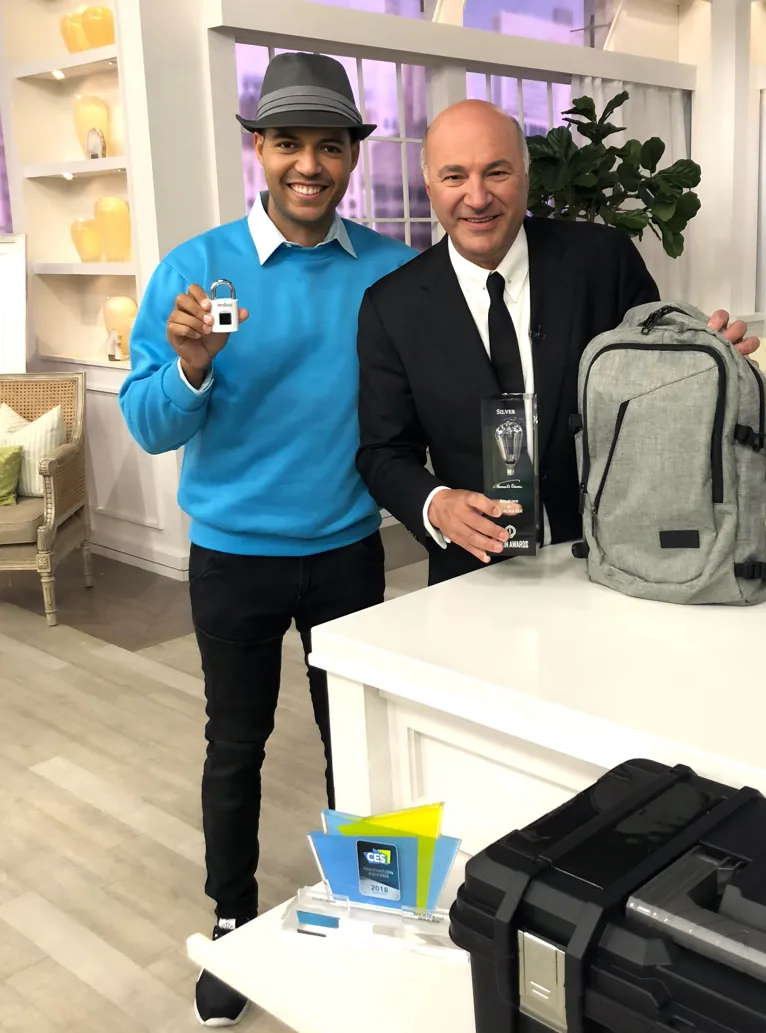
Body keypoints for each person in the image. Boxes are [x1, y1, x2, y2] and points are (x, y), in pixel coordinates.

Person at [119, 53, 415, 1027]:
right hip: (234, 558)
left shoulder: (386, 270)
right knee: (236, 744)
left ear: (350, 159)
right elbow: (150, 423)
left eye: (329, 146)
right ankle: (235, 914)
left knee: (359, 743)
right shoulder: (197, 272)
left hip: (346, 550)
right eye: (289, 142)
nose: (308, 165)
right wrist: (193, 367)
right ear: (259, 149)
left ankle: (379, 910)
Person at [355, 100, 761, 585]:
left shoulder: (602, 260)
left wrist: (705, 368)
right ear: (430, 187)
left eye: (497, 172)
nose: (477, 196)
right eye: (454, 177)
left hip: (615, 557)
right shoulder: (392, 305)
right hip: (475, 576)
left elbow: (657, 386)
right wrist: (434, 503)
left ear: (526, 177)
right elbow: (383, 452)